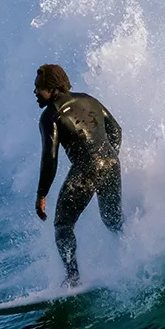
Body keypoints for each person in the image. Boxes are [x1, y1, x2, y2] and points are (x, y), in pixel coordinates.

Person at [33, 64, 122, 286]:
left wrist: (41, 195)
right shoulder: (89, 99)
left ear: (52, 88)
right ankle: (135, 254)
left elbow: (49, 159)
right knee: (114, 222)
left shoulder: (50, 116)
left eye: (38, 88)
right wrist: (107, 158)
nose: (35, 92)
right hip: (111, 163)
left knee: (63, 226)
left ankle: (73, 278)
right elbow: (116, 130)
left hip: (86, 169)